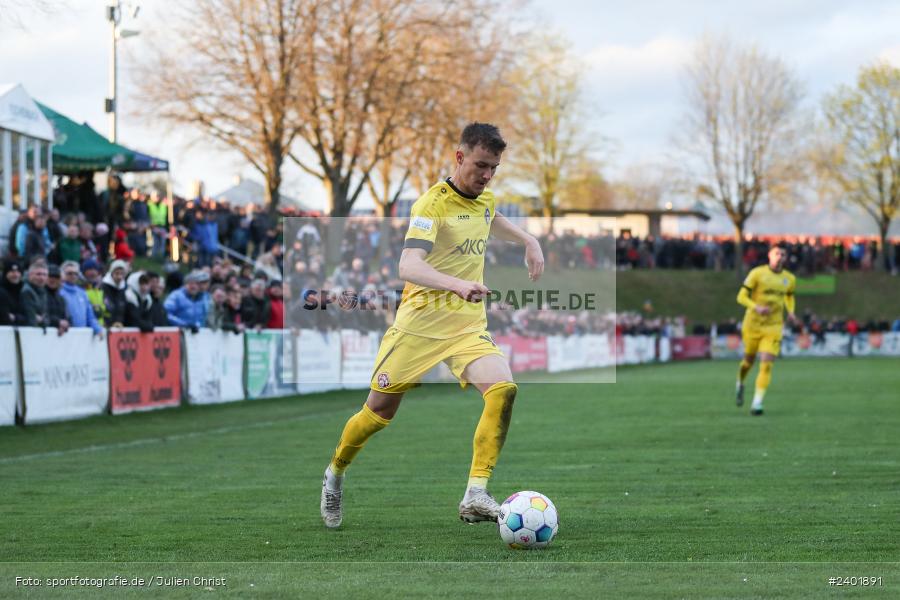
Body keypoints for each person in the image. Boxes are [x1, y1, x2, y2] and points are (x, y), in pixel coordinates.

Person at [319, 123, 545, 528]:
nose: (487, 175)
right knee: (377, 414)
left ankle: (475, 493)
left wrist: (529, 240)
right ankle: (335, 472)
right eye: (480, 165)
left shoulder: (486, 199)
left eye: (494, 167)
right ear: (459, 158)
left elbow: (489, 219)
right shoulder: (431, 205)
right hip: (418, 326)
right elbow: (408, 264)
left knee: (503, 389)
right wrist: (457, 284)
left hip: (465, 327)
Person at [735, 243, 797, 415]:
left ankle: (757, 403)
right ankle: (740, 382)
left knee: (766, 364)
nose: (780, 257)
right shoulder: (757, 273)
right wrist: (756, 307)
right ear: (769, 255)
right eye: (777, 253)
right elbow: (740, 297)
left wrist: (791, 312)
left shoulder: (789, 279)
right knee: (748, 362)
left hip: (774, 326)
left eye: (783, 255)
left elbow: (789, 296)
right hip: (752, 324)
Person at [59, 261, 104, 337]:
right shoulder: (59, 292)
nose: (73, 276)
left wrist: (97, 329)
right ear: (62, 275)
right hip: (64, 335)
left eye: (75, 274)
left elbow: (90, 316)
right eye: (70, 273)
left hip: (81, 337)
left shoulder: (82, 293)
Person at [101, 260, 129, 328]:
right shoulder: (103, 286)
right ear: (112, 273)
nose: (119, 277)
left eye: (122, 274)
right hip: (105, 325)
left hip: (119, 326)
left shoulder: (124, 288)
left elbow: (122, 308)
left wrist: (119, 321)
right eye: (117, 273)